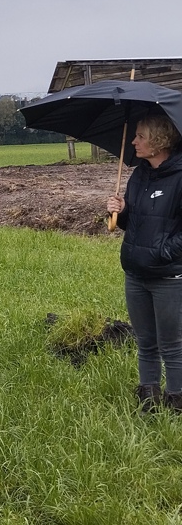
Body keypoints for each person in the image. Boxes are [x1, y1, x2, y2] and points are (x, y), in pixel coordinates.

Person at [107, 114, 182, 413]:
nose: (134, 141)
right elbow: (132, 223)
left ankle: (176, 402)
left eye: (140, 136)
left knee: (173, 345)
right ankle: (148, 401)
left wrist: (164, 252)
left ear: (159, 141)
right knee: (145, 342)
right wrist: (120, 211)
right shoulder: (139, 174)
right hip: (135, 274)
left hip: (168, 277)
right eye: (134, 135)